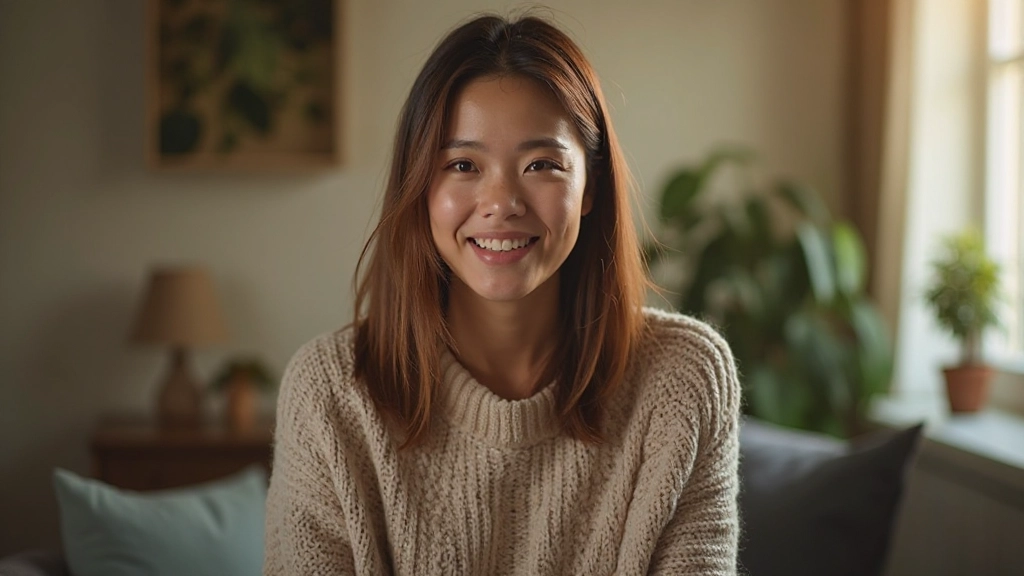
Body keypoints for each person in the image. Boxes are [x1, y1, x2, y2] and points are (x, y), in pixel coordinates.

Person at [264, 13, 740, 576]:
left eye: (541, 164)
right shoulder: (330, 393)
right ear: (420, 188)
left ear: (591, 186)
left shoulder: (682, 379)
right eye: (463, 165)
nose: (502, 201)